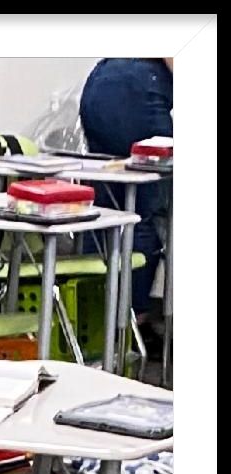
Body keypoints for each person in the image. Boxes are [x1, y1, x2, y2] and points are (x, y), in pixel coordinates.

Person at [79, 58, 173, 317]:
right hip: (140, 86)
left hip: (100, 82)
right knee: (144, 210)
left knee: (104, 210)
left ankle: (90, 315)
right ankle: (130, 318)